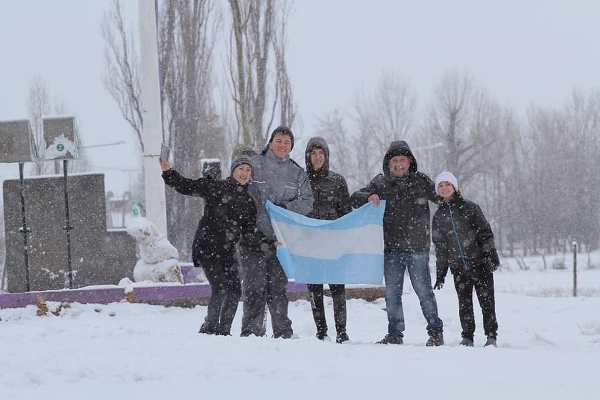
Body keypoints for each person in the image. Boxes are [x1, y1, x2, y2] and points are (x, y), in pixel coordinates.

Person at [351, 140, 444, 346]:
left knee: (424, 291)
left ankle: (436, 331)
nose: (399, 164)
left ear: (410, 162)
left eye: (403, 160)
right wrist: (369, 195)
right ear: (389, 162)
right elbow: (354, 198)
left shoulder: (421, 181)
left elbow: (443, 197)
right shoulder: (380, 183)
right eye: (395, 160)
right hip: (391, 250)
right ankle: (395, 333)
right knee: (392, 294)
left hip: (418, 248)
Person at [160, 155, 256, 336]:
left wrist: (268, 242)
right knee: (220, 288)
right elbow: (187, 185)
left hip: (227, 251)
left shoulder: (248, 202)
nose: (244, 173)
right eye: (241, 169)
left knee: (235, 290)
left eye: (248, 170)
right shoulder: (216, 187)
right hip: (208, 247)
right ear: (233, 170)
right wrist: (168, 172)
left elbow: (249, 232)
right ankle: (210, 328)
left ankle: (224, 331)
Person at [240, 126, 314, 339]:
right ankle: (252, 330)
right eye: (278, 140)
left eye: (287, 142)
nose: (282, 145)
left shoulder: (297, 172)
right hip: (252, 238)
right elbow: (239, 189)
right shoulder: (254, 165)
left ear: (291, 147)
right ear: (270, 142)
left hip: (280, 240)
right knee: (254, 286)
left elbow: (307, 201)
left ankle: (282, 331)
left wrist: (285, 209)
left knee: (277, 288)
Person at [431, 171, 500, 347]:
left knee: (486, 301)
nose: (444, 188)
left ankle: (491, 335)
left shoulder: (470, 207)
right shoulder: (439, 216)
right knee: (464, 303)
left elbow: (485, 232)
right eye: (441, 185)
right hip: (458, 266)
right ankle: (467, 336)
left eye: (447, 184)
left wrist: (490, 254)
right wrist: (441, 273)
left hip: (479, 263)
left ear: (454, 186)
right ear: (438, 190)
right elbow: (441, 248)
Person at [304, 137, 352, 343]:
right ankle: (321, 331)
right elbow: (295, 210)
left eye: (321, 153)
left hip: (334, 243)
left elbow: (346, 212)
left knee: (337, 288)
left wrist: (345, 238)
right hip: (310, 243)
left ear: (326, 156)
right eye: (313, 154)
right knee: (314, 288)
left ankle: (341, 331)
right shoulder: (301, 180)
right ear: (308, 157)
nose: (317, 157)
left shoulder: (338, 181)